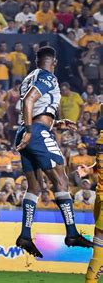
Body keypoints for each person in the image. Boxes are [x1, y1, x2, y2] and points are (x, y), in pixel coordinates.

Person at [14, 46, 92, 258]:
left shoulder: (29, 77)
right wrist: (33, 131)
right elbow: (29, 100)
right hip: (35, 132)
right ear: (54, 62)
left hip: (25, 131)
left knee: (34, 186)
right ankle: (72, 233)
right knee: (61, 179)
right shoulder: (48, 77)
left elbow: (31, 106)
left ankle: (25, 235)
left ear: (35, 60)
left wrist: (55, 123)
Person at [83, 107, 103, 282]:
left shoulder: (100, 139)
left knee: (99, 236)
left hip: (100, 196)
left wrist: (88, 170)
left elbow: (99, 163)